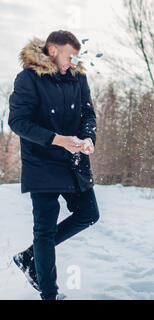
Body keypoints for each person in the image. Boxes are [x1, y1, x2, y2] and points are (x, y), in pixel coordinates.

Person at [8, 30, 100, 300]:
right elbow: (18, 122)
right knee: (45, 230)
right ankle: (50, 294)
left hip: (74, 161)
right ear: (52, 51)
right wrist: (56, 139)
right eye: (70, 56)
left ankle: (29, 256)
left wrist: (88, 138)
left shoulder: (78, 77)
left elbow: (87, 112)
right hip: (42, 163)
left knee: (89, 214)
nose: (74, 61)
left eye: (77, 56)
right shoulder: (28, 79)